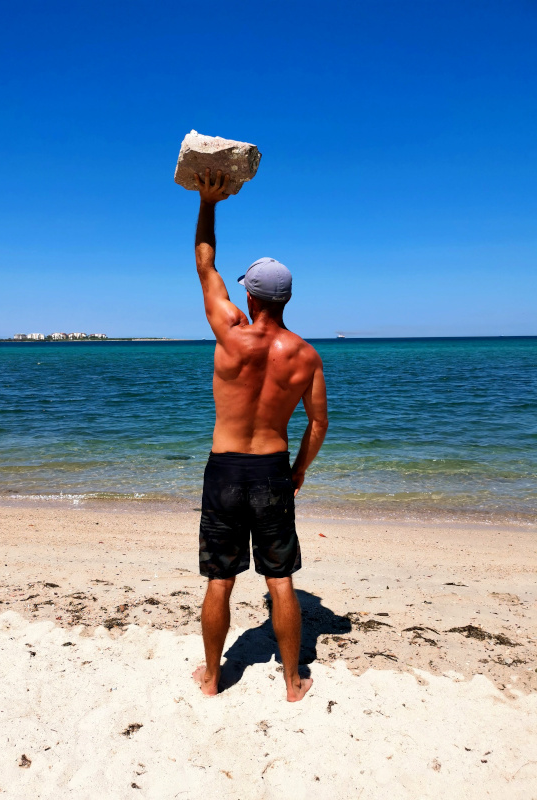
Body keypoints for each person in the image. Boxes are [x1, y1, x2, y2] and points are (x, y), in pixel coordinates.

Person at [191, 169, 329, 702]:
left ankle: (212, 678)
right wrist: (298, 471)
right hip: (273, 470)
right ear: (287, 299)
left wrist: (209, 202)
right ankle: (293, 681)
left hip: (224, 467)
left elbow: (205, 262)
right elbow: (318, 423)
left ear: (247, 295)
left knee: (219, 580)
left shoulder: (229, 330)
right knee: (281, 579)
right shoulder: (306, 355)